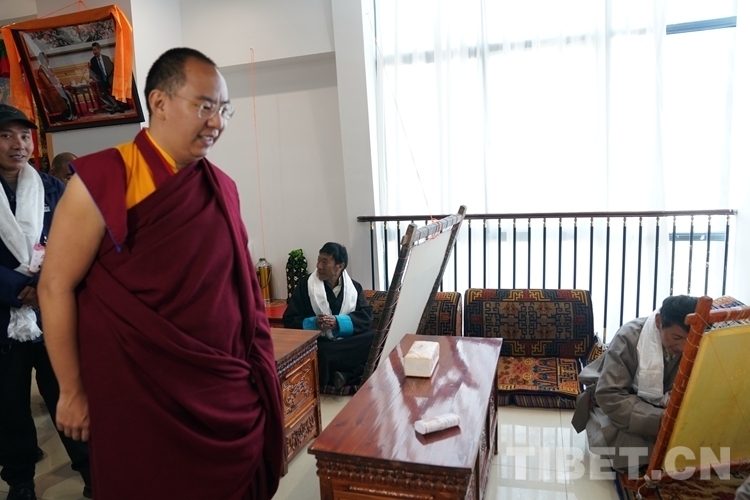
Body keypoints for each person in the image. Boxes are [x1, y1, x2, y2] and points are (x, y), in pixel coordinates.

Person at [37, 48, 284, 499]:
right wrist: (70, 391)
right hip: (138, 394)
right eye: (205, 106)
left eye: (224, 110)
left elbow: (243, 291)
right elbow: (54, 286)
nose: (217, 122)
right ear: (159, 102)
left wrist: (255, 374)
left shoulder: (222, 188)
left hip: (222, 390)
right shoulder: (103, 180)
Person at [0, 104, 91, 500]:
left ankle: (92, 470)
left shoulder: (52, 188)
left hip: (52, 312)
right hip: (3, 319)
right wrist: (16, 287)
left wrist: (45, 285)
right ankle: (20, 480)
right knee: (10, 407)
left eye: (24, 135)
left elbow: (77, 240)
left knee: (68, 391)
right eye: (5, 135)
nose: (18, 144)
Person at [571, 295, 699, 476]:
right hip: (621, 405)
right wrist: (661, 419)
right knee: (632, 453)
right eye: (676, 337)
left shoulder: (699, 340)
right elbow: (610, 395)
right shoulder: (630, 337)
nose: (684, 347)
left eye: (689, 339)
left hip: (666, 406)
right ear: (659, 321)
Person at [283, 242, 374, 389]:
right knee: (323, 353)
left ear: (340, 266)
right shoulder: (305, 285)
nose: (318, 266)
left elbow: (366, 319)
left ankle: (346, 375)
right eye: (318, 260)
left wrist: (338, 322)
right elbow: (289, 319)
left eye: (325, 262)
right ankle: (348, 375)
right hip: (322, 342)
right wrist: (314, 323)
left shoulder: (354, 288)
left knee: (377, 339)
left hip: (347, 342)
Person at [36, 52, 77, 122]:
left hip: (57, 88)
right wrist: (57, 86)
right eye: (46, 58)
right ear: (43, 60)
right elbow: (48, 85)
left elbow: (55, 79)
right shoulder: (41, 71)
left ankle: (73, 114)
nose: (48, 60)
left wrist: (60, 84)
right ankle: (68, 116)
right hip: (51, 91)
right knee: (65, 95)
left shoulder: (48, 69)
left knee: (68, 93)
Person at [88, 42, 123, 113]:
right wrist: (91, 78)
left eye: (95, 50)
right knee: (103, 91)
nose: (94, 52)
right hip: (101, 80)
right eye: (93, 50)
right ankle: (116, 107)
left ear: (99, 49)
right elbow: (92, 72)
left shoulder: (106, 58)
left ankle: (115, 106)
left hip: (109, 78)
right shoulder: (93, 60)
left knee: (115, 88)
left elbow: (112, 68)